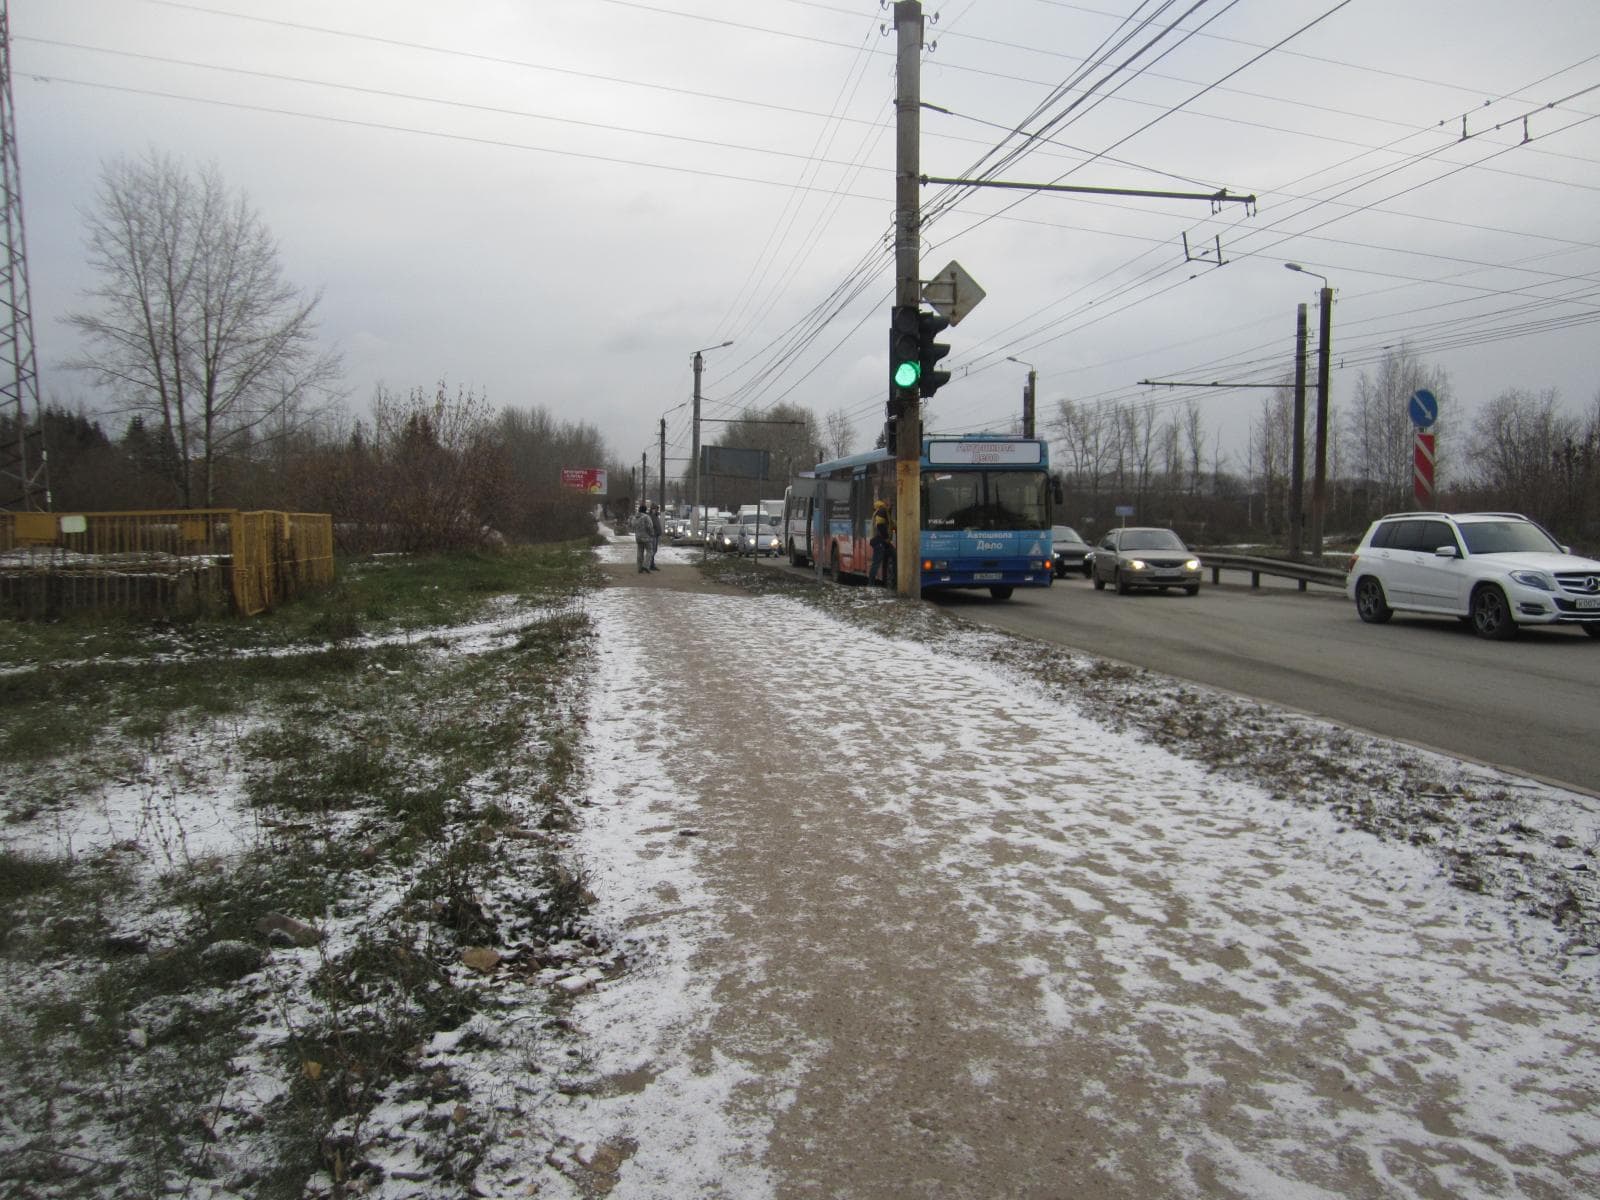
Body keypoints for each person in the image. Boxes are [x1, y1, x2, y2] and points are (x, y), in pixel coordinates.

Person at [869, 498, 892, 586]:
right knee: (876, 562)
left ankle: (871, 583)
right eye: (889, 501)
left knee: (892, 555)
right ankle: (870, 584)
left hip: (877, 539)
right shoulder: (882, 510)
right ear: (885, 502)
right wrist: (886, 537)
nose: (890, 501)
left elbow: (887, 522)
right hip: (879, 540)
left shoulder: (879, 510)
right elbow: (880, 524)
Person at [632, 503, 654, 573]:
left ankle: (639, 568)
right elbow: (649, 527)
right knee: (650, 551)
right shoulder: (646, 517)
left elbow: (632, 526)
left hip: (638, 537)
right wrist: (651, 534)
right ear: (645, 510)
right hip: (646, 537)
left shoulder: (635, 517)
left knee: (640, 552)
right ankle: (646, 566)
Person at [648, 504, 664, 571]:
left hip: (656, 535)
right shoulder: (650, 516)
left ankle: (651, 564)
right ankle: (650, 564)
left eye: (657, 509)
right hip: (653, 535)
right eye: (655, 509)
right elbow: (651, 526)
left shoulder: (656, 516)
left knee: (654, 550)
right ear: (652, 509)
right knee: (652, 550)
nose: (657, 510)